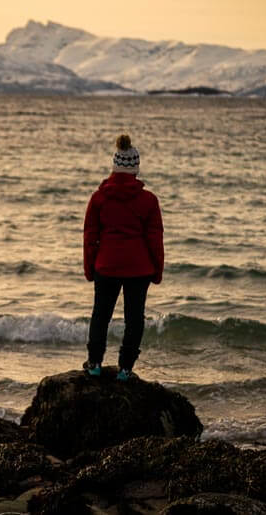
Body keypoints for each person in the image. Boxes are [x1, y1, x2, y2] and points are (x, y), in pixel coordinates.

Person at [82, 134, 164, 381]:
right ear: (136, 169)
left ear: (114, 166)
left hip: (106, 266)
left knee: (101, 316)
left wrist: (89, 268)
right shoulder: (148, 200)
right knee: (134, 319)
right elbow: (155, 239)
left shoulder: (99, 198)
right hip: (139, 269)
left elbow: (90, 237)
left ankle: (95, 364)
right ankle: (125, 369)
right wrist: (157, 271)